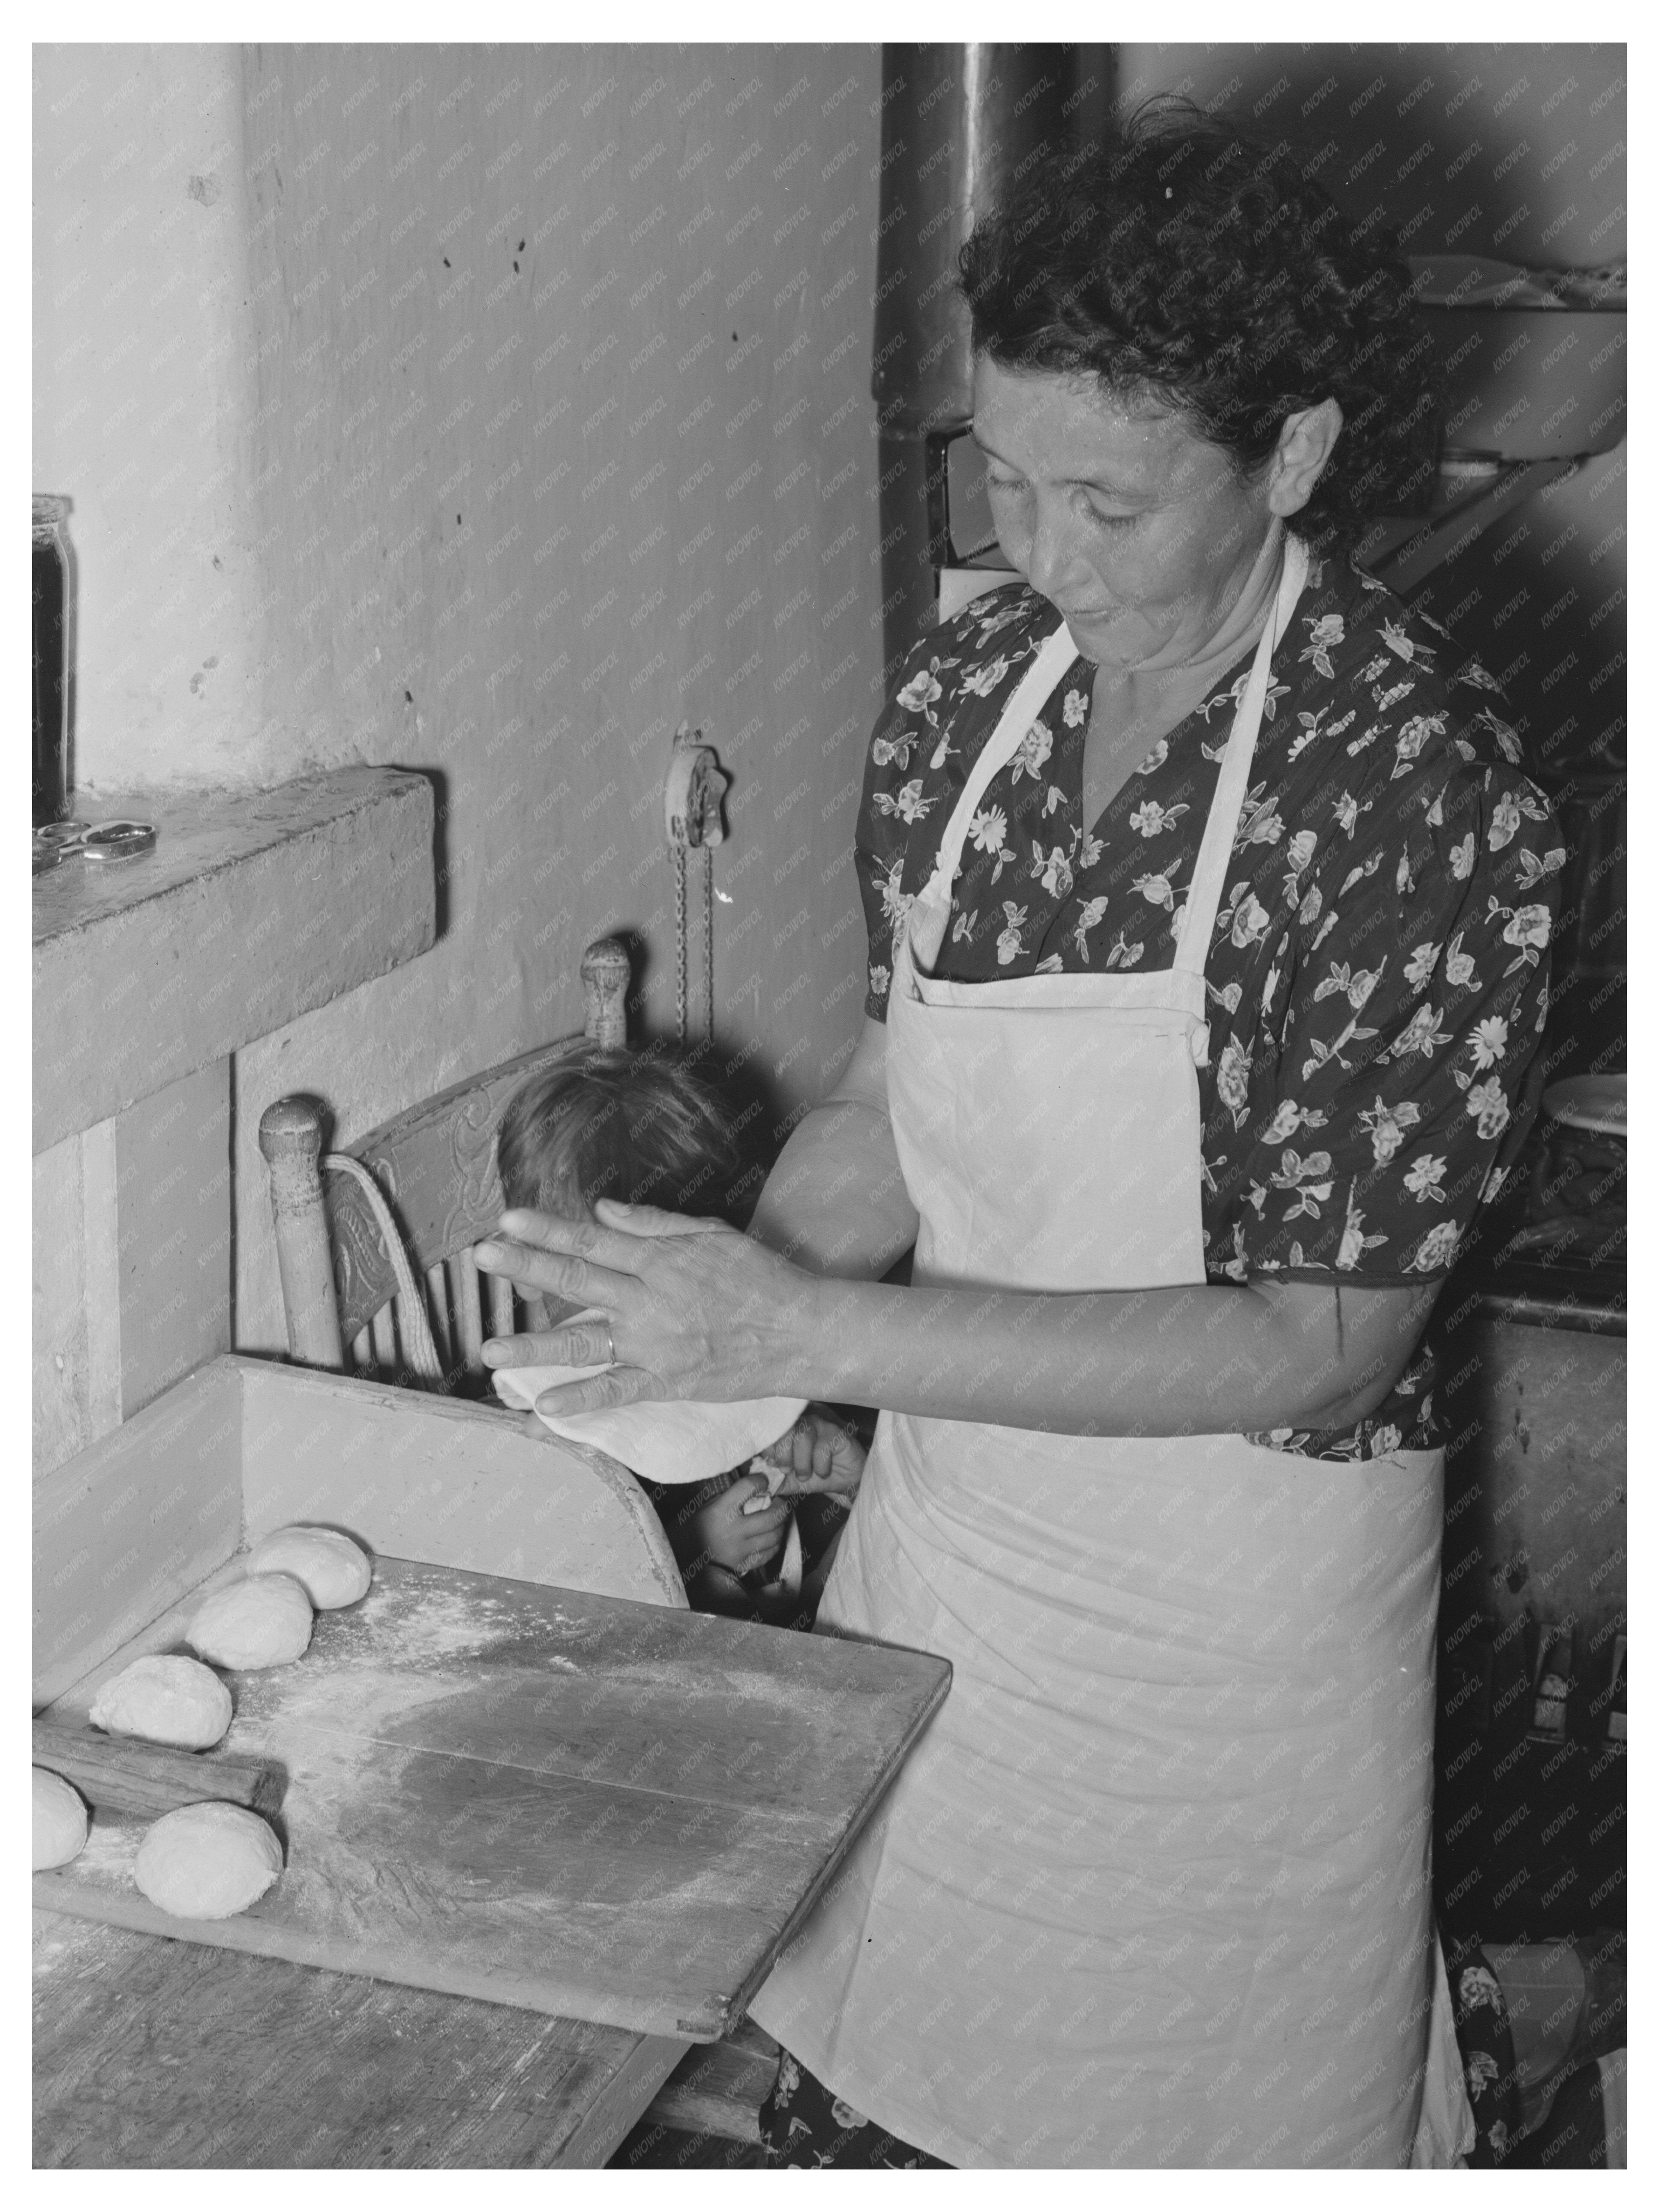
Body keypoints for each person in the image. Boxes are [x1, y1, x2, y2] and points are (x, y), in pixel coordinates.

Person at [478, 107, 1563, 2168]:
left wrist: (820, 1334)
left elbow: (1317, 1339)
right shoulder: (970, 697)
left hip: (1227, 1636)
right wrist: (717, 1329)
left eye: (1112, 501)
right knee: (889, 2064)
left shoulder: (1406, 789)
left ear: (1296, 456)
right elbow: (904, 1097)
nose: (1042, 556)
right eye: (1004, 475)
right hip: (956, 1555)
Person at [495, 1045, 862, 1623]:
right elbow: (561, 1603)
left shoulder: (733, 1353)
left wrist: (834, 1485)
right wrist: (691, 1549)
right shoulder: (530, 1438)